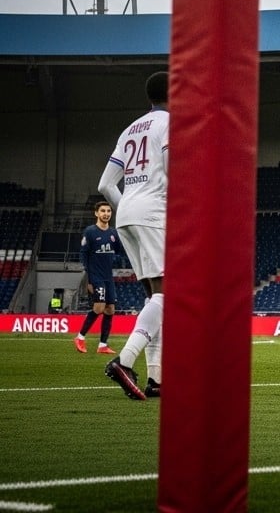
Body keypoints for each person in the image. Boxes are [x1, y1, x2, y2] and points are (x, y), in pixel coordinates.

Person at [96, 70, 169, 401]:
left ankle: (156, 380)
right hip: (154, 212)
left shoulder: (131, 129)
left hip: (126, 213)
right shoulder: (170, 124)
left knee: (154, 297)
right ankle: (125, 360)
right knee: (168, 294)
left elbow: (104, 185)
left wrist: (128, 206)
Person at [73, 200, 125, 355]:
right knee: (99, 307)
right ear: (96, 213)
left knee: (110, 309)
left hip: (108, 276)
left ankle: (103, 345)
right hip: (96, 276)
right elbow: (83, 254)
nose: (106, 214)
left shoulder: (113, 233)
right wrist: (89, 279)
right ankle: (80, 337)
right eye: (103, 211)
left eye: (108, 211)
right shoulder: (90, 232)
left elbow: (119, 251)